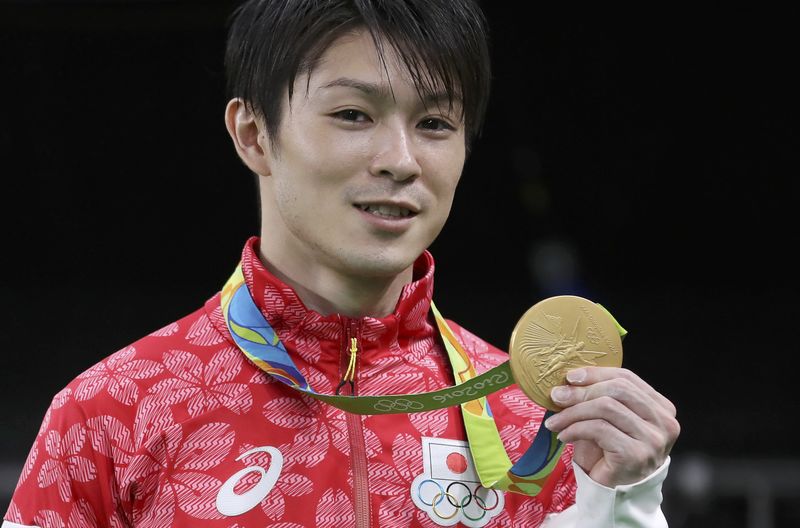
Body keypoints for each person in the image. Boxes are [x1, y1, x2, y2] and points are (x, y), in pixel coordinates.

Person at [3, 0, 680, 526]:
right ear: (253, 134)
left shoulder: (541, 428)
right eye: (354, 113)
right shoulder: (111, 412)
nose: (401, 159)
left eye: (436, 124)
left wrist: (623, 503)